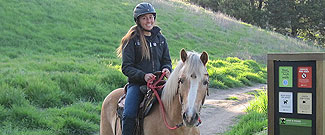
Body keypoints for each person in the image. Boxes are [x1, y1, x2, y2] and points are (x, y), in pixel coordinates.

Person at [116, 2, 172, 135]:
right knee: (129, 115)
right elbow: (126, 67)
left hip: (160, 83)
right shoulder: (131, 40)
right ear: (138, 21)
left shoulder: (161, 39)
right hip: (138, 85)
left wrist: (167, 69)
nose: (149, 21)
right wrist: (143, 76)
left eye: (151, 17)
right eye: (145, 18)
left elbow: (166, 61)